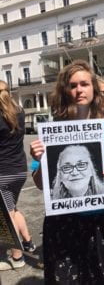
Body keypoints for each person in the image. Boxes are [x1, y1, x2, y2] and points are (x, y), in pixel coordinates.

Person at [30, 60, 104, 284]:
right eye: (73, 85)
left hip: (102, 220)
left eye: (84, 84)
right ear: (65, 90)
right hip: (63, 222)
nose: (79, 90)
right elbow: (42, 184)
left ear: (94, 88)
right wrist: (40, 160)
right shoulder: (52, 131)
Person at [0, 81, 35, 271]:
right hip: (20, 170)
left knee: (7, 215)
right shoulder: (19, 112)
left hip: (2, 172)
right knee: (13, 208)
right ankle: (28, 242)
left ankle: (17, 257)